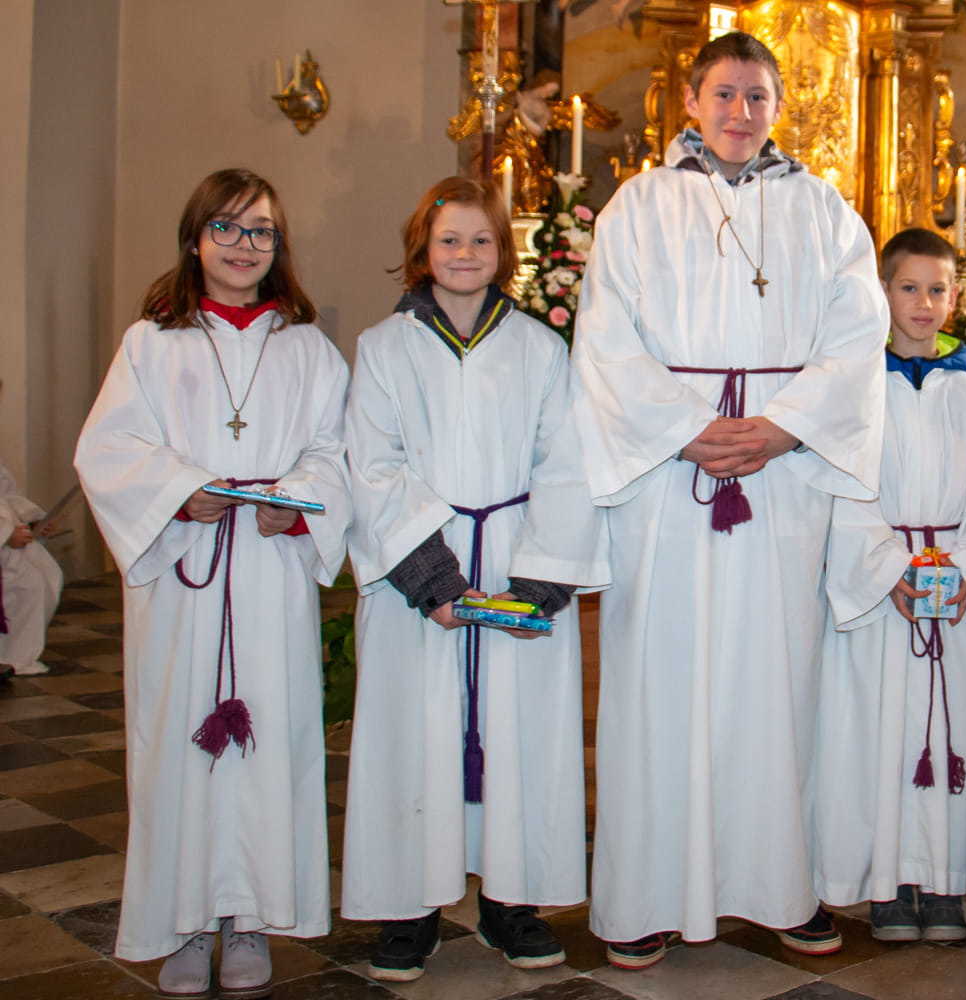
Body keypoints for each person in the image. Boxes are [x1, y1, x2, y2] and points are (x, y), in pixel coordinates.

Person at [570, 31, 888, 969]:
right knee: (658, 683)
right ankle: (644, 898)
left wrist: (785, 427)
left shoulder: (824, 210)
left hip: (780, 481)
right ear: (691, 102)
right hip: (671, 483)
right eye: (724, 93)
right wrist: (684, 428)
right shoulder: (639, 205)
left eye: (757, 96)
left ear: (779, 108)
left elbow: (857, 336)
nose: (740, 112)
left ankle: (781, 888)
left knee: (779, 682)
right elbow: (606, 338)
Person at [74, 168, 351, 998]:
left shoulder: (307, 348)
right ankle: (188, 924)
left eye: (260, 230)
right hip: (184, 580)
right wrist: (178, 492)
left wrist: (296, 507)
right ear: (194, 240)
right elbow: (107, 449)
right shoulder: (151, 344)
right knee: (176, 747)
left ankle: (252, 918)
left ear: (279, 246)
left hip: (270, 571)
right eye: (225, 227)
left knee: (272, 742)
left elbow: (335, 452)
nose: (242, 245)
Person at [340, 176, 608, 982]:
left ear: (503, 251)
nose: (465, 253)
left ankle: (510, 902)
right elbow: (373, 466)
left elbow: (569, 464)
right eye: (449, 239)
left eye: (481, 239)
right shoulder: (383, 349)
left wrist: (537, 583)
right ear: (421, 250)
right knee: (409, 734)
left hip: (515, 560)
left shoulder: (540, 349)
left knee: (521, 736)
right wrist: (435, 582)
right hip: (418, 576)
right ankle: (407, 907)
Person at [812, 229, 966, 944]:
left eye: (938, 289)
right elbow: (840, 489)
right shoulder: (858, 392)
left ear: (957, 297)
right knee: (880, 733)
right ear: (883, 293)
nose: (924, 303)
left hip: (953, 589)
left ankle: (946, 881)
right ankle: (890, 884)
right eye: (909, 288)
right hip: (886, 590)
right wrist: (891, 568)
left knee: (957, 726)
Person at [0, 432, 64, 679]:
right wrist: (6, 534)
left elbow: (7, 494)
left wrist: (34, 519)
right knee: (27, 583)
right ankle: (11, 655)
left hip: (9, 538)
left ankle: (18, 655)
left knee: (46, 574)